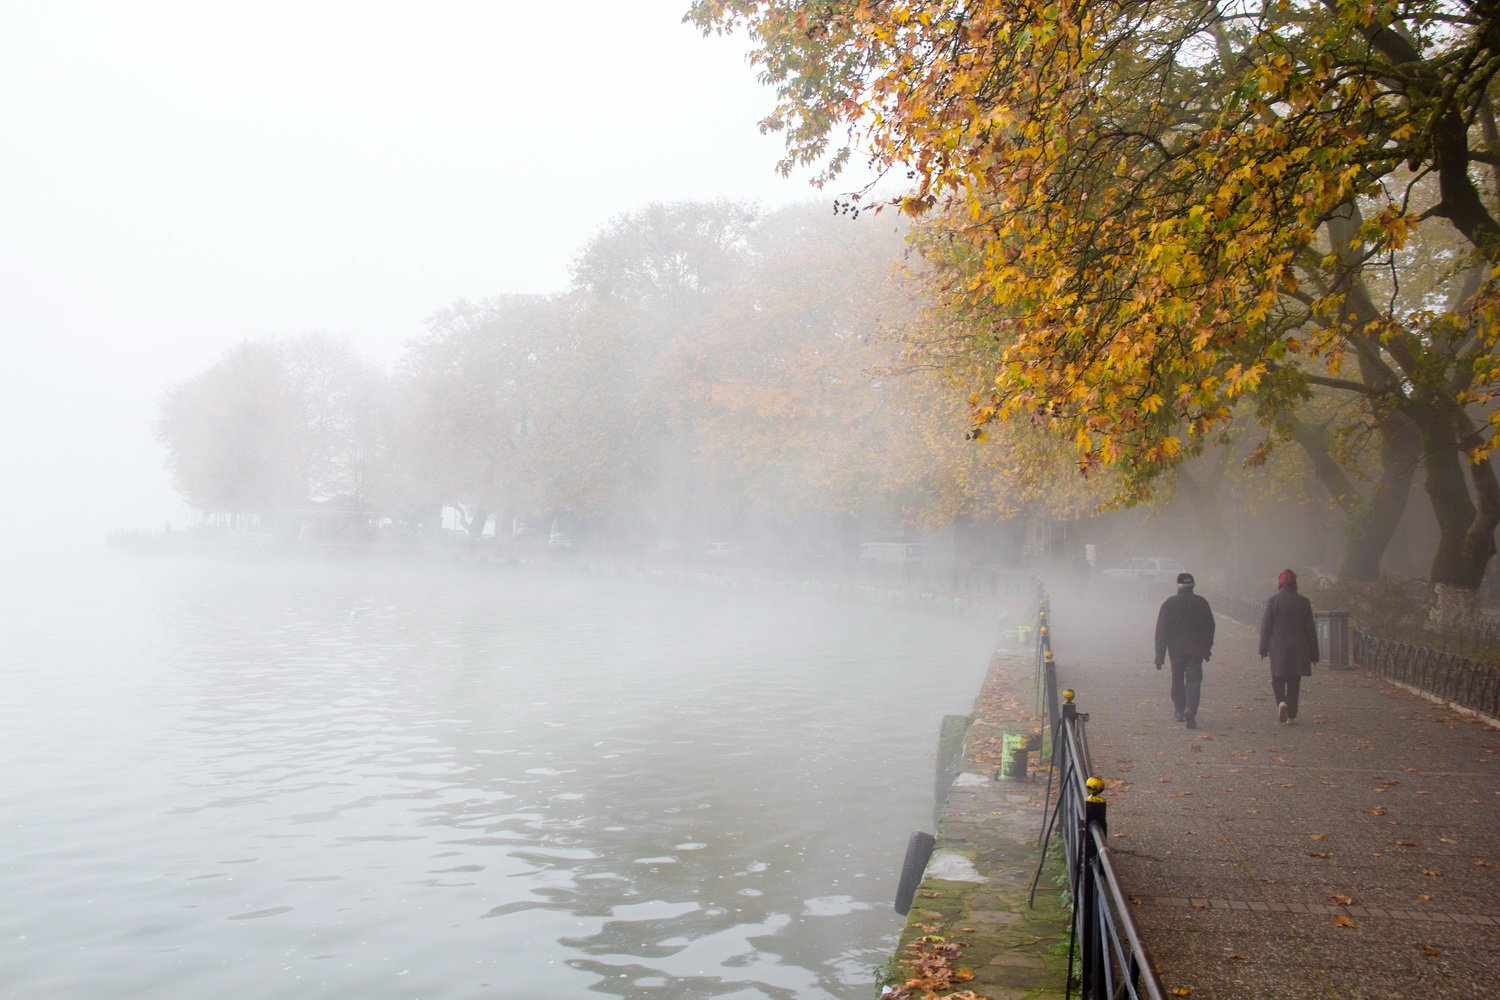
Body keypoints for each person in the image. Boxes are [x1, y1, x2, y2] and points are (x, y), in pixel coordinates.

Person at [1154, 572, 1215, 729]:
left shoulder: (1169, 603)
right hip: (1196, 649)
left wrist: (1159, 655)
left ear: (1178, 586)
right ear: (1193, 586)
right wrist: (1207, 649)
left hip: (1176, 650)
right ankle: (1191, 709)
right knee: (1194, 680)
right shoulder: (1201, 603)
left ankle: (1179, 710)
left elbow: (1162, 630)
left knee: (1178, 679)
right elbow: (1210, 627)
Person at [1259, 568, 1320, 723]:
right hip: (1300, 646)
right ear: (1295, 584)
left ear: (1280, 584)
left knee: (1278, 678)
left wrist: (1263, 648)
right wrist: (1314, 653)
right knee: (1294, 680)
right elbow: (1310, 630)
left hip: (1278, 646)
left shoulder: (1273, 601)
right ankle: (1291, 715)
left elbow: (1266, 627)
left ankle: (1281, 702)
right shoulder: (1304, 602)